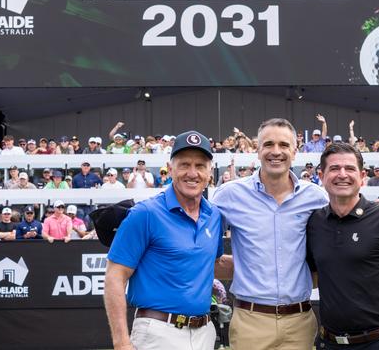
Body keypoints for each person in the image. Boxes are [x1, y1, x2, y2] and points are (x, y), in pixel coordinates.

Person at [212, 118, 329, 350]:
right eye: (269, 144)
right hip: (249, 321)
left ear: (295, 151)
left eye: (284, 145)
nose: (276, 152)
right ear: (257, 150)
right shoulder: (228, 195)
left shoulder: (316, 197)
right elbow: (201, 242)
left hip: (300, 321)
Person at [104, 131, 224, 350]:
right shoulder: (145, 214)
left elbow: (212, 263)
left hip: (205, 333)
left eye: (200, 166)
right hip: (158, 333)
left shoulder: (214, 216)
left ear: (210, 172)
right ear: (170, 169)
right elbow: (115, 276)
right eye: (184, 164)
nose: (192, 173)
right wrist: (121, 343)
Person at [306, 142, 379, 349]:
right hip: (329, 342)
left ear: (362, 176)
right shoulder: (314, 223)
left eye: (350, 168)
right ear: (321, 176)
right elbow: (313, 279)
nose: (342, 174)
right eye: (334, 168)